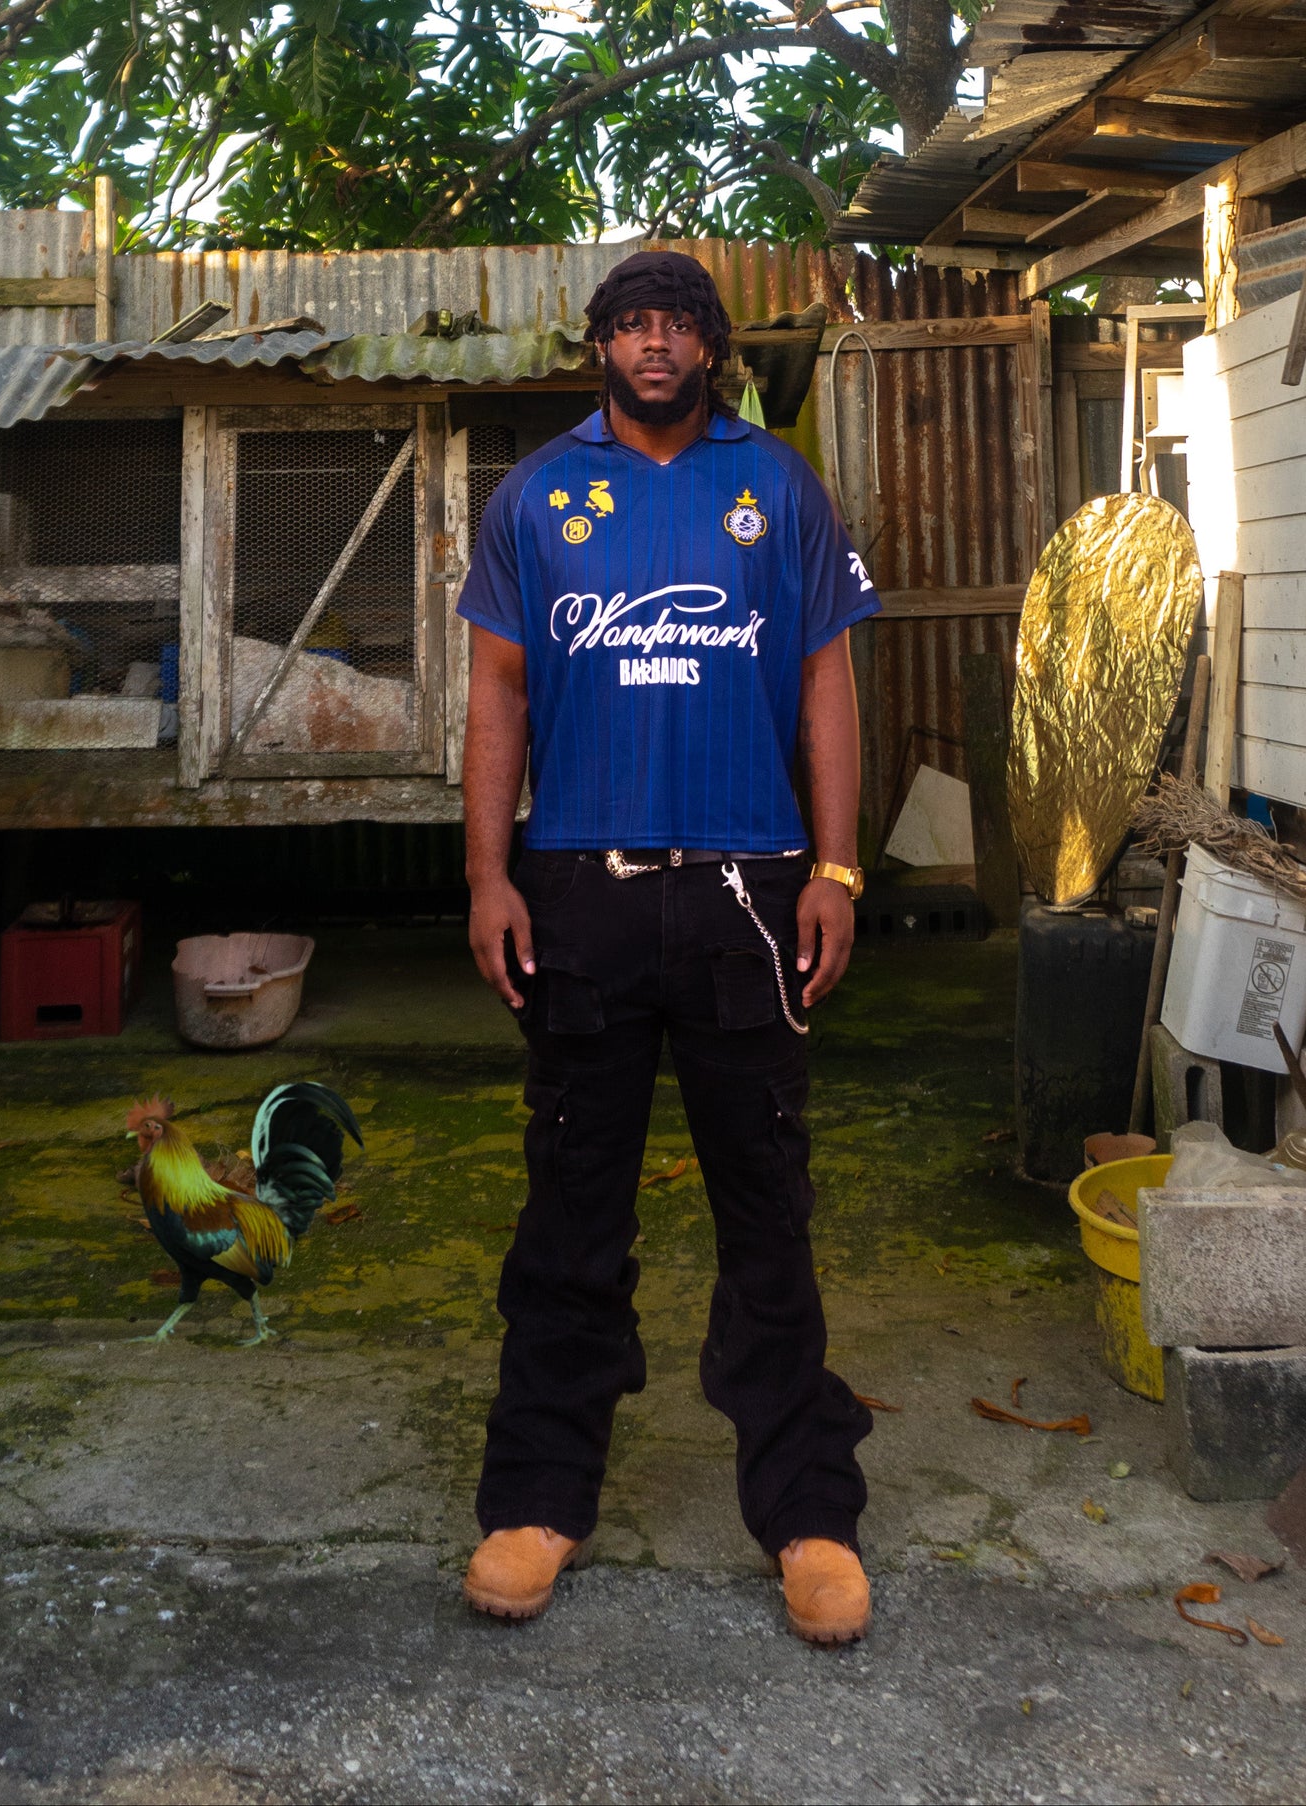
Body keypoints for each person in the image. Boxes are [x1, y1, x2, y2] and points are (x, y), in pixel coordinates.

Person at [455, 250, 881, 1645]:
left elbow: (826, 681)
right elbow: (496, 698)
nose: (654, 345)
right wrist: (487, 876)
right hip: (579, 888)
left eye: (677, 324)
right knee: (571, 1204)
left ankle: (809, 1511)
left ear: (710, 345)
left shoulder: (779, 488)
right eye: (631, 323)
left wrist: (834, 866)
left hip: (748, 893)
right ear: (599, 345)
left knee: (766, 1204)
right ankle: (536, 1500)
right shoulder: (535, 496)